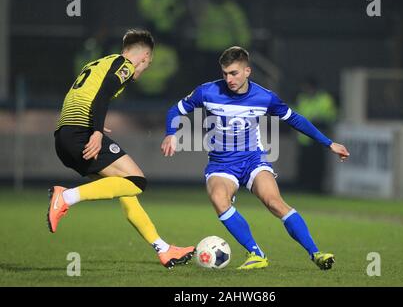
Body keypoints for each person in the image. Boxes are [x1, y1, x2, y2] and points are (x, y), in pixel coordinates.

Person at [161, 46, 350, 270]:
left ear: (248, 71)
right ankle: (256, 253)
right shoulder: (207, 92)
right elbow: (175, 110)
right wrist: (171, 134)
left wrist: (329, 143)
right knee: (219, 200)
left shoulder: (264, 97)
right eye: (225, 73)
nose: (228, 79)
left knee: (274, 202)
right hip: (222, 164)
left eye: (234, 73)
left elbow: (295, 119)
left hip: (253, 160)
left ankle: (316, 253)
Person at [48, 29, 195, 269]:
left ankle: (163, 249)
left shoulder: (99, 62)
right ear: (145, 57)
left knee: (127, 193)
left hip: (65, 136)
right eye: (147, 64)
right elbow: (104, 94)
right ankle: (65, 197)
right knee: (137, 180)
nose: (145, 69)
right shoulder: (124, 65)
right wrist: (95, 131)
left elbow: (86, 95)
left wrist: (93, 122)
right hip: (81, 133)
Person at [295, 77, 337, 192]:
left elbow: (331, 116)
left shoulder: (324, 99)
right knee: (304, 164)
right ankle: (304, 186)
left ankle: (317, 188)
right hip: (304, 139)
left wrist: (318, 121)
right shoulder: (302, 98)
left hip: (318, 138)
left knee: (318, 165)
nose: (305, 90)